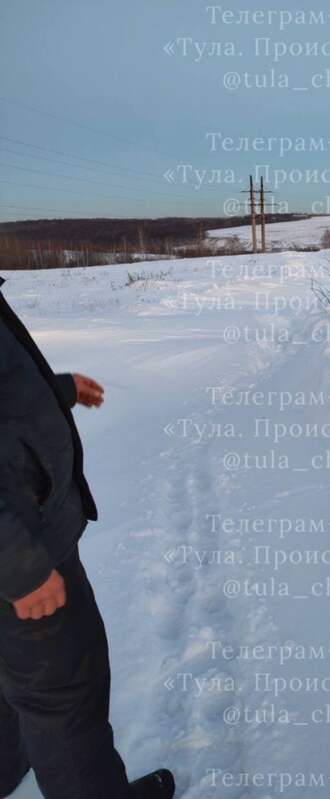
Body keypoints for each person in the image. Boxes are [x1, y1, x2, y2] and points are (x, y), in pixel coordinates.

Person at [0, 276, 174, 799]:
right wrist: (18, 566)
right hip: (24, 549)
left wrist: (54, 391)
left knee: (15, 675)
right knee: (64, 696)